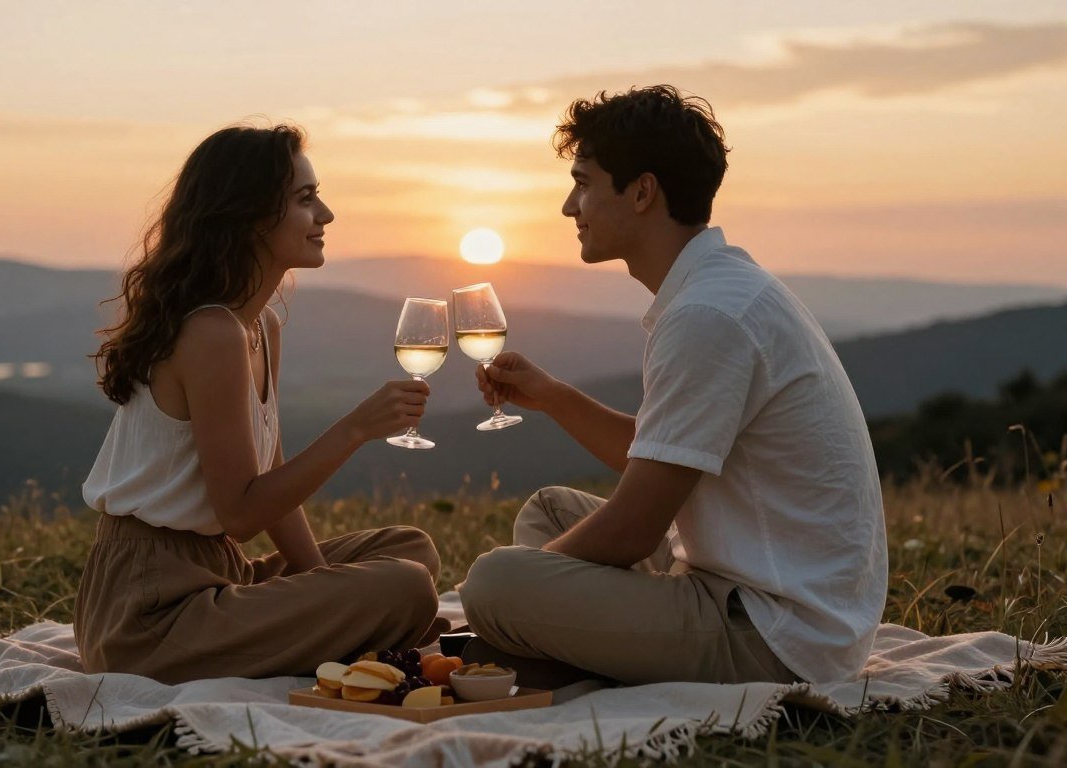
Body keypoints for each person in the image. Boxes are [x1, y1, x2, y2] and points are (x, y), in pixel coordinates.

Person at [458, 86, 888, 686]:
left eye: (583, 183)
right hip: (751, 584)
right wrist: (553, 395)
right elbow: (667, 456)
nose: (567, 206)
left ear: (642, 192)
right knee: (550, 513)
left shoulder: (708, 315)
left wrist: (512, 601)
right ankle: (580, 641)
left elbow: (635, 526)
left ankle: (561, 645)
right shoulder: (715, 289)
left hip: (774, 632)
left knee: (495, 582)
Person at [75, 124, 447, 684]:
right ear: (250, 216)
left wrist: (326, 589)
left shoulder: (259, 325)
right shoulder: (210, 333)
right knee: (405, 587)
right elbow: (243, 512)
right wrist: (353, 430)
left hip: (221, 575)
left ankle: (343, 630)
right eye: (305, 199)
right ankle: (356, 635)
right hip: (149, 613)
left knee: (409, 551)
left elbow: (267, 474)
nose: (326, 214)